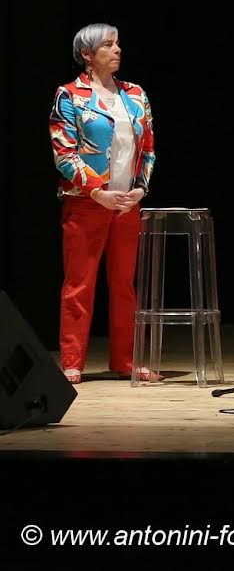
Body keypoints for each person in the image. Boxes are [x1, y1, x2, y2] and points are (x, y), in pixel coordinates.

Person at [49, 24, 161, 383]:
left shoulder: (136, 95)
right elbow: (64, 152)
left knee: (125, 284)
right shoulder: (70, 96)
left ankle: (126, 360)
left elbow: (148, 150)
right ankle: (72, 361)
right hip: (87, 204)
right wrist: (98, 191)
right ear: (87, 55)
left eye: (117, 44)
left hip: (127, 204)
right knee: (80, 284)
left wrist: (139, 190)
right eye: (108, 45)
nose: (117, 50)